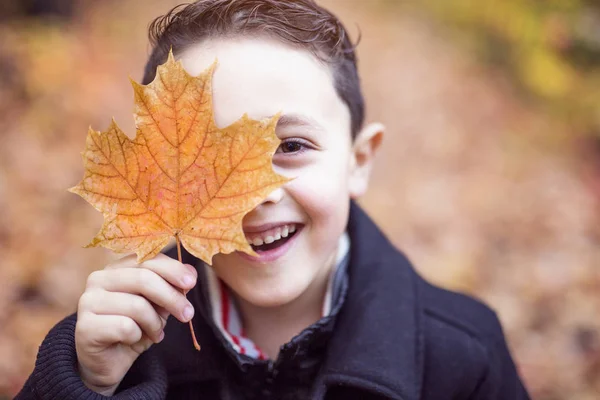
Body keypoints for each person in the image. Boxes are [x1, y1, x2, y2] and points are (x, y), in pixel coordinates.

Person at [16, 1, 531, 399]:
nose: (256, 193)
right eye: (205, 159)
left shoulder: (461, 355)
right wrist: (88, 386)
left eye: (291, 146)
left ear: (360, 159)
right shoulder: (118, 346)